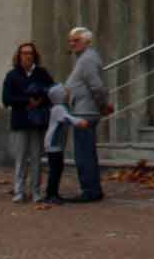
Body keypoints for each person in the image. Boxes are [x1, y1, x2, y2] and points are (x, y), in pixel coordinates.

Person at [50, 25, 112, 204]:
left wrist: (102, 106)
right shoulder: (84, 58)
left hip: (86, 111)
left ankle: (90, 190)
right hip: (83, 109)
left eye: (76, 40)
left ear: (87, 41)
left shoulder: (87, 60)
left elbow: (97, 86)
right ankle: (92, 188)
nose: (72, 44)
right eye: (70, 41)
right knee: (85, 152)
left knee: (83, 154)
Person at [0, 42, 55, 203]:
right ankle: (19, 191)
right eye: (24, 53)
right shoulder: (12, 75)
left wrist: (40, 100)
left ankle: (36, 191)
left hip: (38, 122)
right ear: (18, 56)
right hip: (20, 121)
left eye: (30, 53)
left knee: (37, 158)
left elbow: (52, 91)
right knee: (21, 157)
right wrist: (26, 101)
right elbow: (6, 98)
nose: (27, 56)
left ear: (35, 56)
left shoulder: (42, 73)